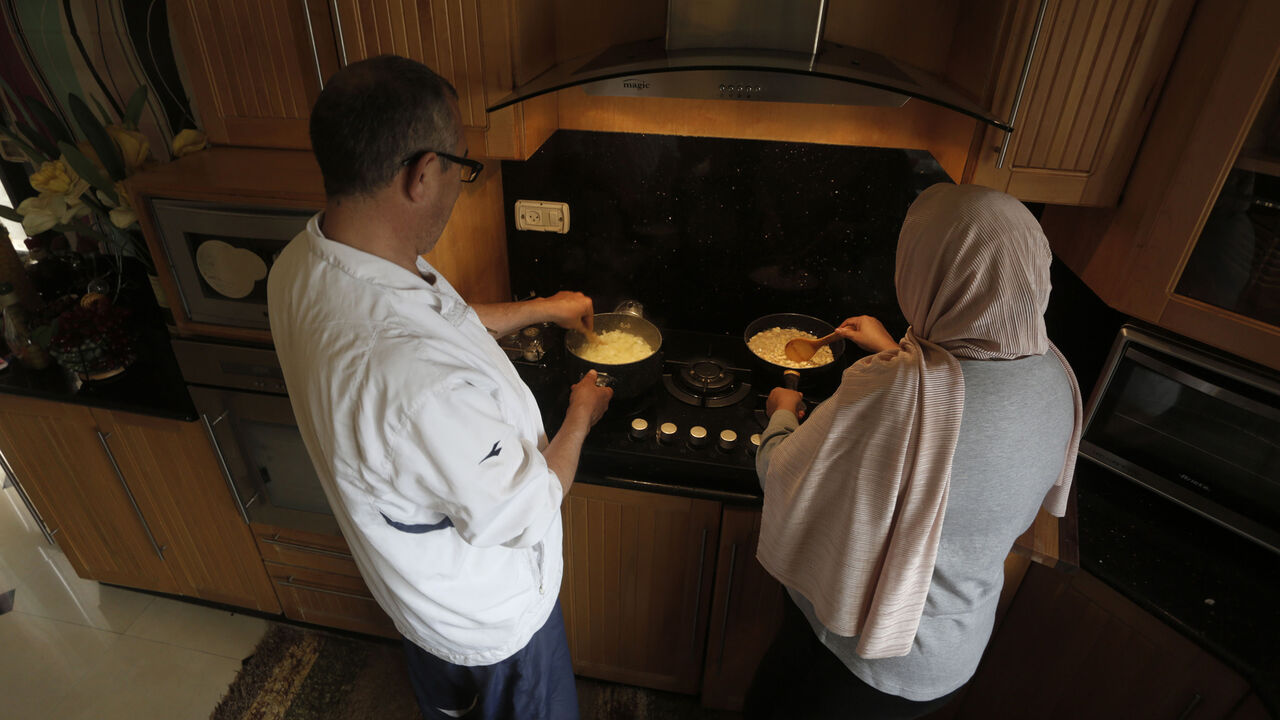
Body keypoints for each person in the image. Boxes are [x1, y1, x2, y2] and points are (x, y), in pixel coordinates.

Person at [267, 55, 612, 720]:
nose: (462, 181)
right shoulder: (410, 379)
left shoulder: (307, 263)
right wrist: (581, 412)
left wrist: (542, 307)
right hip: (493, 622)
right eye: (463, 164)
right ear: (423, 174)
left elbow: (441, 324)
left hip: (418, 593)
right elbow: (526, 510)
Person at [745, 183, 1082, 719]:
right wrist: (894, 350)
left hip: (857, 656)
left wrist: (782, 412)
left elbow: (782, 471)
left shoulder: (891, 393)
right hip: (953, 656)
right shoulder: (1057, 375)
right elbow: (965, 429)